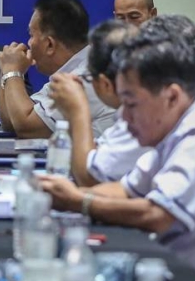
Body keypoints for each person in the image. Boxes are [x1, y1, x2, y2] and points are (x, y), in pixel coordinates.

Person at [40, 26, 195, 281]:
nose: (124, 117)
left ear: (171, 96)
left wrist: (78, 200)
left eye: (132, 104)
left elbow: (157, 215)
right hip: (175, 270)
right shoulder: (177, 119)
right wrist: (54, 191)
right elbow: (126, 189)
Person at [0, 0, 115, 138]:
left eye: (31, 35)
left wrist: (12, 70)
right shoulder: (68, 73)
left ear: (50, 44)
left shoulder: (87, 77)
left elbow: (26, 127)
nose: (29, 43)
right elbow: (11, 122)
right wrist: (6, 70)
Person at [48, 20, 146, 186]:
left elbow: (89, 177)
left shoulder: (142, 121)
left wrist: (77, 110)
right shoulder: (128, 114)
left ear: (105, 84)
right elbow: (96, 157)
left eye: (89, 78)